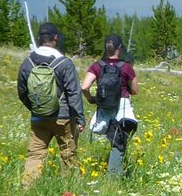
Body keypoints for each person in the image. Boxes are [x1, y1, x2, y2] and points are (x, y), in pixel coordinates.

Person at [18, 21, 83, 187]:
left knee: (35, 155)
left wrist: (35, 108)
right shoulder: (64, 63)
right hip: (63, 118)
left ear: (39, 39)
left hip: (38, 118)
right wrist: (79, 117)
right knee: (68, 154)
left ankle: (27, 188)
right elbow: (74, 92)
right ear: (55, 39)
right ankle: (69, 190)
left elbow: (22, 92)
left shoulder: (27, 63)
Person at [83, 33, 138, 178]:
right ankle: (113, 177)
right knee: (119, 143)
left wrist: (91, 99)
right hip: (122, 107)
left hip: (104, 107)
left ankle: (113, 172)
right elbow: (135, 90)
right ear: (119, 48)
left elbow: (84, 87)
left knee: (113, 138)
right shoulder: (126, 67)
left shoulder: (97, 66)